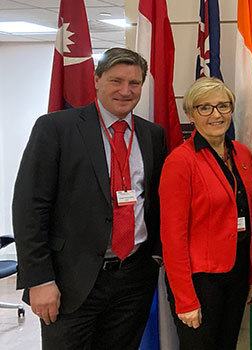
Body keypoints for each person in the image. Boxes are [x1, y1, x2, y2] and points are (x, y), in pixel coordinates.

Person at [12, 47, 167, 349]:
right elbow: (30, 208)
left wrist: (156, 255)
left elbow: (155, 203)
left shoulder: (153, 135)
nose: (125, 91)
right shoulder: (57, 128)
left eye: (134, 83)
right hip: (72, 280)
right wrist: (39, 280)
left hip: (133, 278)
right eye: (116, 81)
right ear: (96, 80)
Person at [158, 77, 252, 349]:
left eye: (223, 106)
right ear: (191, 114)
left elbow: (251, 217)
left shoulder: (242, 154)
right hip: (200, 281)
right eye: (205, 108)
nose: (216, 115)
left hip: (237, 273)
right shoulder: (180, 162)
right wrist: (185, 299)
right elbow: (172, 237)